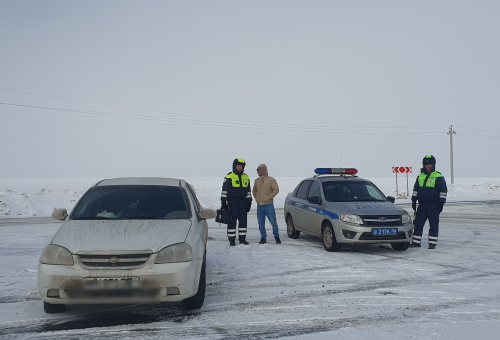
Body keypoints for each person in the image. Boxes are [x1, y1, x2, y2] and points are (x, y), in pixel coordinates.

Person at [410, 155, 448, 249]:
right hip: (422, 204)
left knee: (434, 225)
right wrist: (414, 201)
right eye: (427, 164)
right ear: (424, 165)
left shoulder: (438, 176)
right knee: (418, 224)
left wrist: (441, 203)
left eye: (430, 163)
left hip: (433, 205)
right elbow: (416, 189)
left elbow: (443, 191)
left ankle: (432, 243)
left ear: (434, 164)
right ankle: (416, 242)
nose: (429, 166)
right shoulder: (420, 176)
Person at [221, 158, 252, 246]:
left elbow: (248, 191)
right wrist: (223, 203)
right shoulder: (229, 176)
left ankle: (242, 239)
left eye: (240, 166)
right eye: (237, 166)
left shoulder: (246, 177)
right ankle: (232, 240)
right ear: (234, 166)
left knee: (243, 221)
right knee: (232, 221)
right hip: (232, 201)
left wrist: (249, 202)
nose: (239, 168)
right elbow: (224, 190)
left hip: (242, 202)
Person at [252, 164, 281, 244]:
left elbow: (276, 189)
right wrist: (257, 197)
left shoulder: (271, 180)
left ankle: (277, 237)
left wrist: (268, 197)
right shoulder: (256, 181)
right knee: (261, 224)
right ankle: (263, 238)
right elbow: (254, 190)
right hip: (259, 205)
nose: (259, 172)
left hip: (269, 205)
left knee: (273, 222)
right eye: (258, 170)